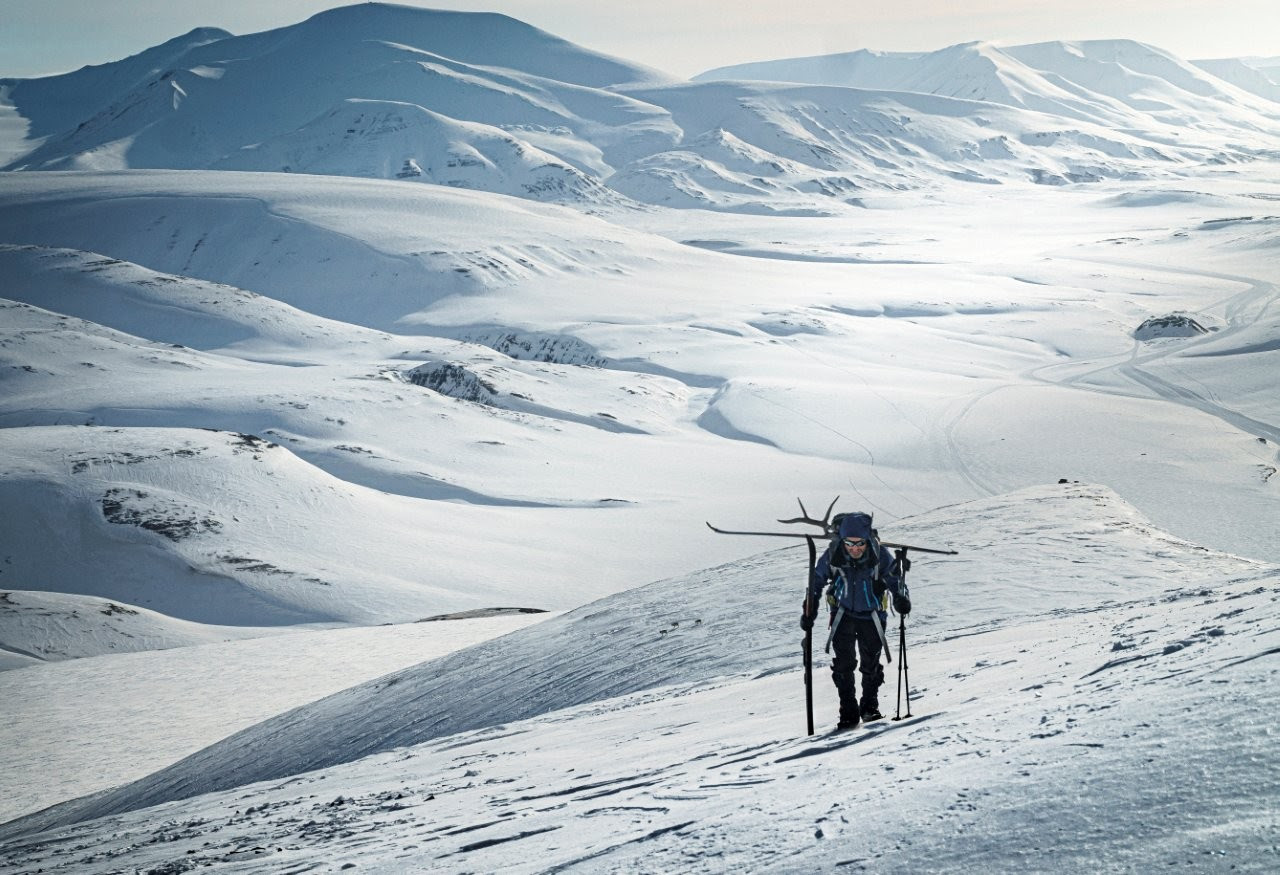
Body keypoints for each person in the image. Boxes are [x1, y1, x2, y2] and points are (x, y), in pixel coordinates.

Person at [800, 511, 911, 730]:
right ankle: (848, 712)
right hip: (842, 614)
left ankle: (869, 707)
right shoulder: (833, 552)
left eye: (860, 543)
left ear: (867, 540)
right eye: (849, 543)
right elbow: (817, 578)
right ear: (842, 540)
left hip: (873, 616)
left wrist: (900, 597)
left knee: (870, 665)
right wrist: (809, 607)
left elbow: (894, 579)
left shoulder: (880, 554)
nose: (855, 548)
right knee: (843, 665)